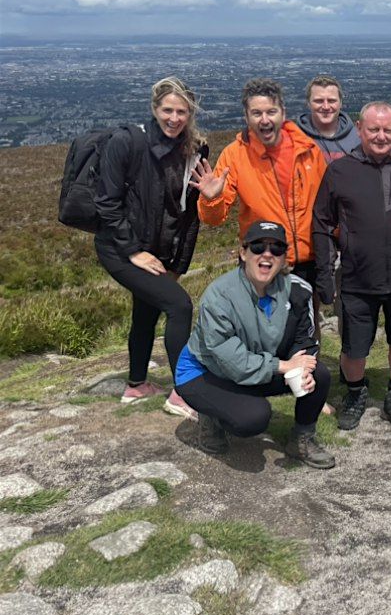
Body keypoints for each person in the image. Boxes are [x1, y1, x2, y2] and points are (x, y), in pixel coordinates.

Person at [312, 102, 391, 433]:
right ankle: (356, 393)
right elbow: (322, 224)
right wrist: (324, 275)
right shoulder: (340, 171)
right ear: (359, 129)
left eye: (387, 130)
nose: (381, 136)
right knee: (354, 347)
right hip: (358, 279)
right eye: (373, 129)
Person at [174, 220, 335, 463]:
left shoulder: (298, 290)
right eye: (258, 247)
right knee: (253, 418)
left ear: (284, 257)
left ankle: (302, 440)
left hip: (254, 363)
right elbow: (231, 360)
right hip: (205, 371)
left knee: (319, 374)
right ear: (243, 252)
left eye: (276, 249)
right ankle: (211, 418)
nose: (267, 254)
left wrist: (302, 365)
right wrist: (283, 366)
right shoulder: (219, 296)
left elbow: (306, 339)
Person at [94, 75, 208, 416]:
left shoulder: (195, 150)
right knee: (179, 306)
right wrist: (134, 251)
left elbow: (189, 214)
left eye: (182, 112)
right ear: (154, 108)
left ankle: (136, 385)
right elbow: (107, 203)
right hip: (119, 248)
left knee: (147, 310)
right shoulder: (127, 142)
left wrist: (178, 264)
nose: (174, 118)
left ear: (190, 114)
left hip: (158, 250)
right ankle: (183, 393)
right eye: (167, 110)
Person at [195, 78, 326, 292]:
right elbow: (214, 219)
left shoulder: (309, 150)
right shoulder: (235, 155)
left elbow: (328, 207)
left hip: (308, 262)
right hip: (262, 262)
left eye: (271, 112)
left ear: (283, 113)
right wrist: (212, 198)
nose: (264, 120)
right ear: (247, 117)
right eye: (256, 113)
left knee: (307, 314)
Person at [296, 75, 362, 161]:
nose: (326, 107)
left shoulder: (359, 137)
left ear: (341, 103)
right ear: (308, 103)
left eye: (331, 101)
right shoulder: (295, 137)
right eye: (319, 101)